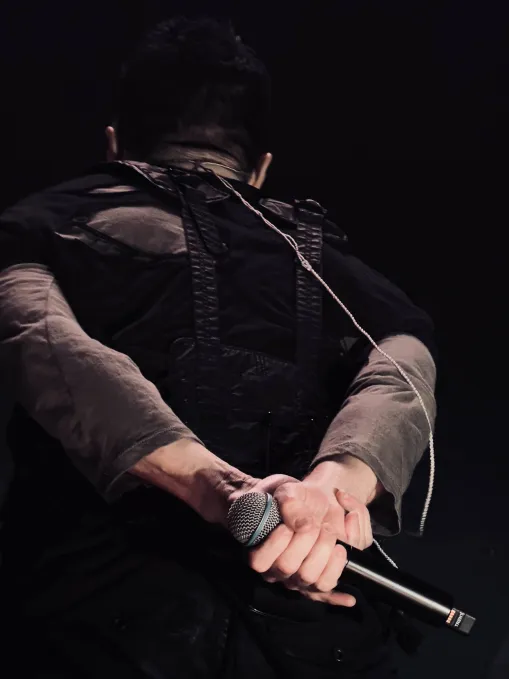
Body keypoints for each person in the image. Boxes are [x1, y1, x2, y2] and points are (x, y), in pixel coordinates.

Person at [0, 16, 436, 679]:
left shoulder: (36, 228)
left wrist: (221, 489)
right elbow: (405, 363)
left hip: (97, 625)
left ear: (115, 144)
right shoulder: (338, 267)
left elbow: (44, 341)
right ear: (260, 168)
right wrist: (332, 491)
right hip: (310, 632)